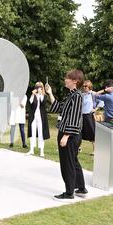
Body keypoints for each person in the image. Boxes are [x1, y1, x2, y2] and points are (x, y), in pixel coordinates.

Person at [45, 70, 87, 201]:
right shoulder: (71, 95)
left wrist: (66, 136)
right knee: (73, 161)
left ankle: (69, 193)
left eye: (68, 78)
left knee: (67, 163)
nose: (65, 79)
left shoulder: (77, 96)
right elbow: (58, 107)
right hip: (70, 134)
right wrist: (50, 93)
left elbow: (74, 117)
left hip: (70, 134)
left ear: (75, 81)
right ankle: (81, 188)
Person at [27, 82, 50, 157]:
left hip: (41, 117)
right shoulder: (33, 95)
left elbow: (43, 103)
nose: (38, 88)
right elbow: (30, 103)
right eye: (37, 87)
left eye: (39, 87)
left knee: (41, 134)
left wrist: (40, 94)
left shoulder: (44, 96)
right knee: (32, 133)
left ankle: (41, 151)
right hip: (33, 117)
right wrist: (33, 94)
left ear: (42, 88)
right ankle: (31, 150)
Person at [81, 80, 96, 155]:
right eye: (83, 86)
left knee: (91, 133)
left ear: (89, 86)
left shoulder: (92, 94)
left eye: (85, 86)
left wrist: (95, 109)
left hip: (89, 116)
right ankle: (78, 148)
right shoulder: (82, 95)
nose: (84, 87)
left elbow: (101, 102)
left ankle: (95, 150)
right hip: (82, 115)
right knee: (80, 132)